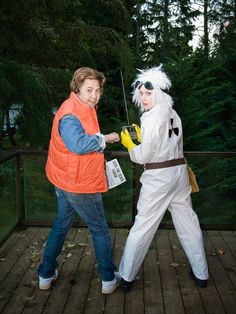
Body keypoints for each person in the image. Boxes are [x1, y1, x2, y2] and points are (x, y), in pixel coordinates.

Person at [119, 65, 209, 292]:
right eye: (141, 94)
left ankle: (126, 277)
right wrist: (143, 137)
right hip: (179, 175)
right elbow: (169, 142)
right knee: (188, 223)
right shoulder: (172, 113)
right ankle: (201, 274)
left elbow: (144, 156)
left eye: (148, 93)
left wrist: (131, 145)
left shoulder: (150, 117)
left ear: (158, 92)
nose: (144, 97)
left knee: (142, 227)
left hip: (159, 178)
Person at [38, 67, 121, 294]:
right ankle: (108, 278)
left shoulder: (83, 107)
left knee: (61, 224)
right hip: (79, 184)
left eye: (97, 90)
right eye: (89, 90)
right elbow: (78, 145)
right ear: (77, 89)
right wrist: (106, 138)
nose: (94, 95)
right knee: (100, 229)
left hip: (65, 180)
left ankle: (45, 274)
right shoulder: (70, 114)